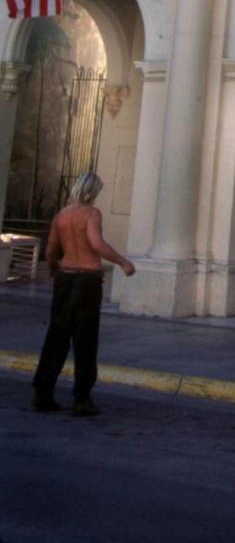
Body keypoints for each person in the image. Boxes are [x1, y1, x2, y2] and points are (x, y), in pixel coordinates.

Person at [32, 172, 136, 416]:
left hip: (65, 279)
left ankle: (42, 392)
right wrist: (122, 262)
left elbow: (51, 249)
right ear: (92, 192)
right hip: (87, 281)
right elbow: (96, 243)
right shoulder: (92, 214)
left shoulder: (62, 215)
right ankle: (82, 398)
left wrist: (53, 269)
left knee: (57, 335)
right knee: (85, 339)